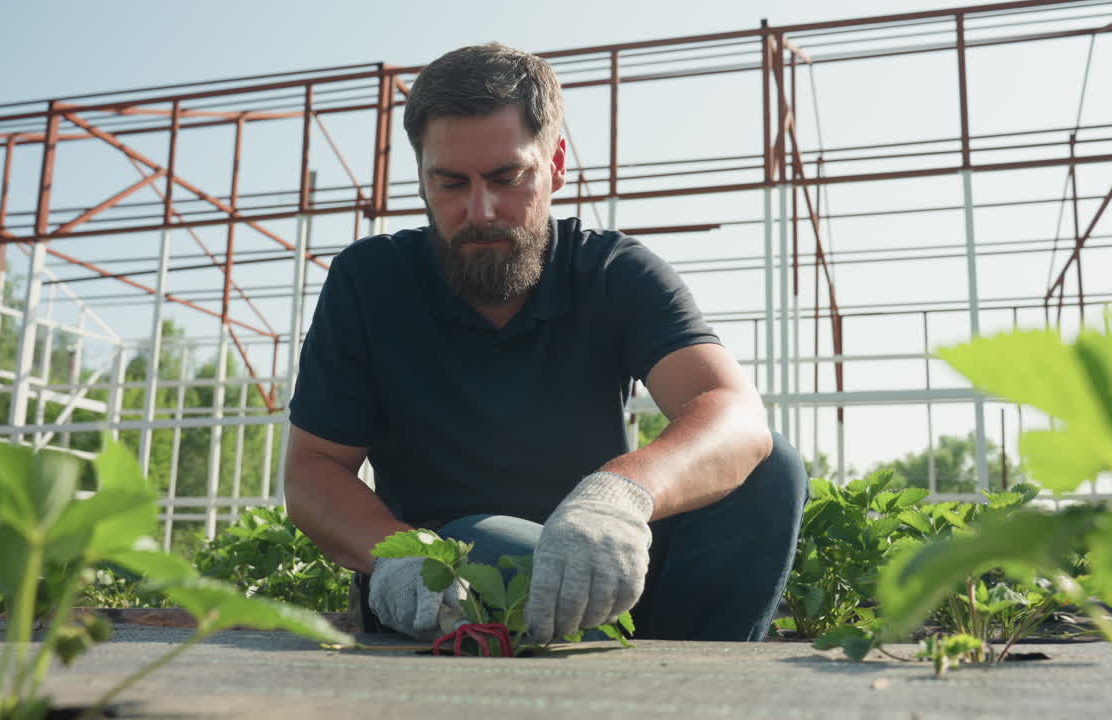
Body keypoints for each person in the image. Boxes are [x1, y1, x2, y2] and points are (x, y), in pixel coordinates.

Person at [284, 42, 806, 644]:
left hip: (607, 560)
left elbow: (733, 411)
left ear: (555, 164)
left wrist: (623, 495)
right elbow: (313, 470)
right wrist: (398, 557)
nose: (480, 210)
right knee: (509, 549)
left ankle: (684, 686)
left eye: (508, 178)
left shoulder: (612, 271)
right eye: (450, 183)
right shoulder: (370, 282)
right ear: (422, 178)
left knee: (772, 471)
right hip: (449, 575)